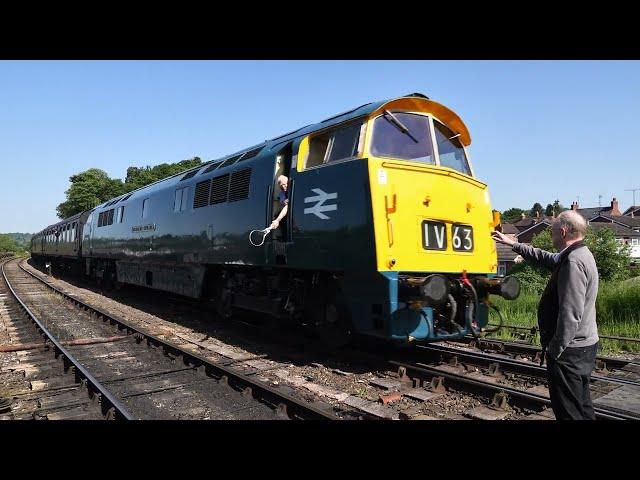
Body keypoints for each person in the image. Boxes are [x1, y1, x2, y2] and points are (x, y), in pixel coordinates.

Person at [492, 210, 599, 420]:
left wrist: (555, 349)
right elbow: (545, 257)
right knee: (582, 406)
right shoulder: (578, 253)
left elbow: (571, 314)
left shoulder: (573, 262)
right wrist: (512, 244)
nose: (551, 235)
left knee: (569, 412)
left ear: (563, 231)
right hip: (583, 345)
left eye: (553, 231)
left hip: (570, 350)